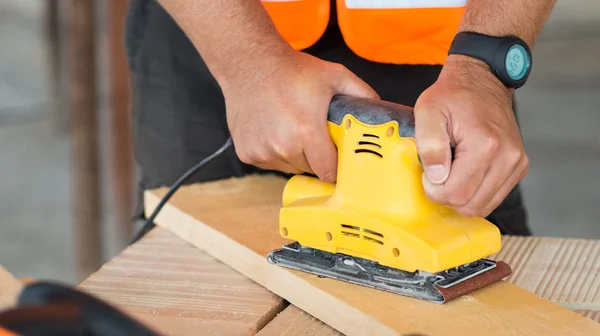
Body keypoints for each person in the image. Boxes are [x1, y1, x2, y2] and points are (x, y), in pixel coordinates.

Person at [124, 0, 557, 236]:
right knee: (190, 296)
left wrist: (483, 65)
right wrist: (246, 60)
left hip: (445, 57)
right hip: (213, 32)